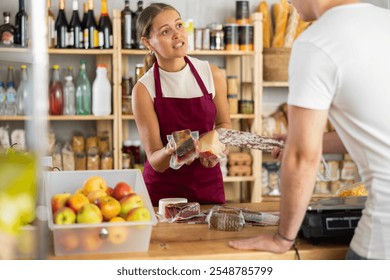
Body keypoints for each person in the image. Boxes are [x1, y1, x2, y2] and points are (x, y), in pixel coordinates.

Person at [229, 0, 390, 260]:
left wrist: (283, 238)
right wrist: (303, 140)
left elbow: (303, 157)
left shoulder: (317, 41)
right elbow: (374, 134)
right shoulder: (385, 21)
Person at [132, 3, 231, 206]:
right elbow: (155, 160)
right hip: (163, 194)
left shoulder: (211, 73)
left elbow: (224, 126)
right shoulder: (143, 89)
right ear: (148, 43)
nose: (177, 35)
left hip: (207, 186)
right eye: (166, 31)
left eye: (179, 25)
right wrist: (171, 151)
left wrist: (217, 150)